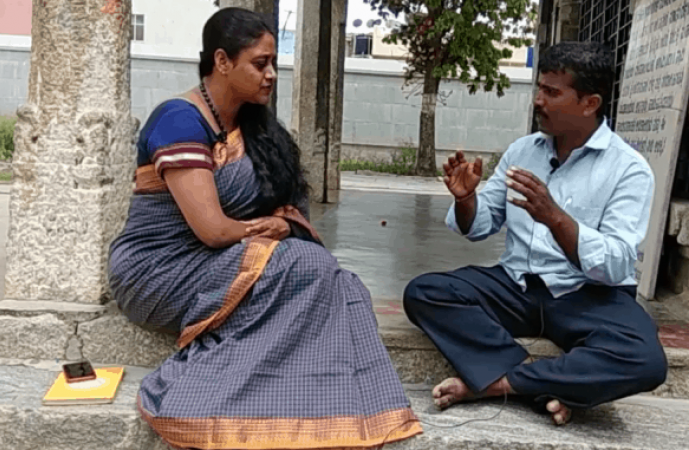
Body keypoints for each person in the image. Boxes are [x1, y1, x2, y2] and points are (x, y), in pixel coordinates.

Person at [108, 8, 422, 449]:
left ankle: (323, 405)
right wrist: (272, 227)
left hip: (221, 260)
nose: (271, 74)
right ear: (222, 62)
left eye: (273, 63)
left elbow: (284, 209)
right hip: (159, 270)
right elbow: (214, 231)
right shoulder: (179, 121)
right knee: (303, 267)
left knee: (338, 282)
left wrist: (282, 223)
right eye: (260, 63)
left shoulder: (252, 127)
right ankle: (205, 397)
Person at [403, 41, 668, 425]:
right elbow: (480, 225)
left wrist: (555, 218)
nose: (537, 101)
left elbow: (615, 265)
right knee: (426, 293)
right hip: (516, 288)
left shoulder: (629, 169)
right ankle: (544, 388)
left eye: (551, 92)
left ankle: (499, 382)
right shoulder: (523, 151)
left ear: (590, 103)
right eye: (538, 89)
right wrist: (466, 199)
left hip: (588, 295)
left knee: (644, 360)